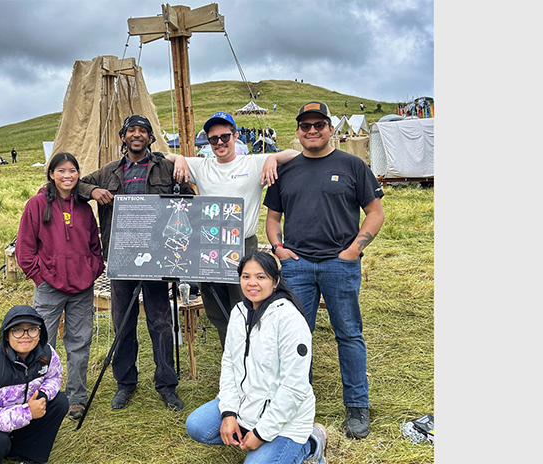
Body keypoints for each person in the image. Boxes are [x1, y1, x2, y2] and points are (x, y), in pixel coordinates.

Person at [263, 101, 385, 439]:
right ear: (298, 131)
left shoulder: (352, 165)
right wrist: (279, 249)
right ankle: (298, 404)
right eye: (305, 125)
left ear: (330, 129)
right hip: (297, 266)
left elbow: (375, 212)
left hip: (339, 265)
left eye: (319, 124)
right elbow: (273, 218)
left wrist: (353, 250)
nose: (312, 130)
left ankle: (357, 406)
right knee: (297, 338)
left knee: (348, 334)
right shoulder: (286, 171)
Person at [76, 114, 194, 412]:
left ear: (150, 137)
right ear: (123, 136)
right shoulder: (109, 171)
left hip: (158, 257)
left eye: (142, 131)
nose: (137, 135)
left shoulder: (165, 167)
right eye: (131, 131)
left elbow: (190, 199)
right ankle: (125, 383)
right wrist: (93, 191)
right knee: (123, 323)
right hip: (121, 256)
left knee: (161, 322)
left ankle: (167, 384)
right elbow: (77, 184)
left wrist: (182, 176)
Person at [164, 111, 298, 348]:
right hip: (209, 245)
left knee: (246, 302)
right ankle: (231, 356)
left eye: (225, 137)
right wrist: (180, 159)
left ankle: (253, 355)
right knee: (216, 305)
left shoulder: (252, 163)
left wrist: (272, 158)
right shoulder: (202, 165)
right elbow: (164, 155)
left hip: (242, 244)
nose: (219, 143)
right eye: (213, 139)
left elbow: (295, 154)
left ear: (236, 136)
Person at [185, 252, 328, 464]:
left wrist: (261, 434)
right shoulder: (239, 312)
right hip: (247, 407)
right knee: (196, 425)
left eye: (261, 277)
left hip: (285, 420)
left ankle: (311, 444)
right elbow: (230, 365)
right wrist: (229, 413)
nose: (252, 283)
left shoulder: (289, 319)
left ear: (275, 281)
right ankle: (254, 437)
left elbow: (295, 387)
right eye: (246, 277)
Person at [16, 152, 106, 422]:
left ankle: (76, 397)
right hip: (49, 288)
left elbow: (93, 244)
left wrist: (93, 269)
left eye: (72, 170)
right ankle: (40, 397)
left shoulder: (84, 208)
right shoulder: (36, 204)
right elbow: (25, 248)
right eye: (61, 170)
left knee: (79, 342)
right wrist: (39, 278)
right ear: (51, 174)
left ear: (78, 174)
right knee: (42, 344)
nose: (67, 176)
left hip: (81, 287)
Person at [0, 304, 68, 464]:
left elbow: (54, 377)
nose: (26, 335)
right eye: (18, 329)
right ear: (6, 334)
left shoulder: (47, 353)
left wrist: (42, 395)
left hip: (16, 419)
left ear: (39, 332)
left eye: (32, 329)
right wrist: (27, 412)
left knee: (59, 402)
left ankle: (27, 455)